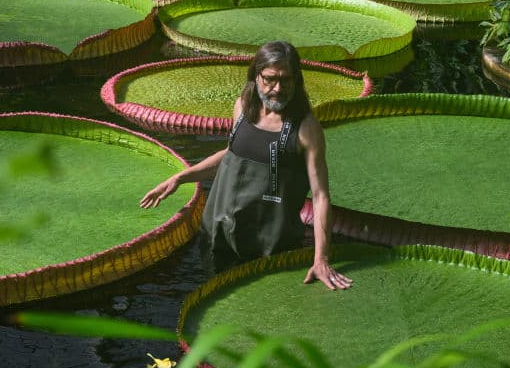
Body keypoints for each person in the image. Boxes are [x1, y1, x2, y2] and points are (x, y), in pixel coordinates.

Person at [141, 40, 353, 290]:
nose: (277, 88)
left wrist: (321, 259)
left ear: (297, 80)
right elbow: (231, 157)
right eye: (270, 79)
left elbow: (320, 197)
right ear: (255, 75)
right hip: (221, 232)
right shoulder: (242, 108)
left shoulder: (306, 128)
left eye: (286, 80)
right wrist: (181, 178)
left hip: (271, 243)